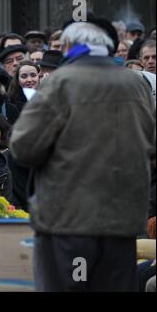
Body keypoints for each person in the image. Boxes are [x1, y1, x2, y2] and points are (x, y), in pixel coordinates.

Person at [9, 20, 155, 292]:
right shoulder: (136, 84)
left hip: (69, 223)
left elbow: (23, 147)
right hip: (122, 221)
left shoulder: (61, 82)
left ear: (67, 47)